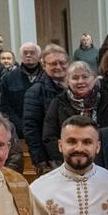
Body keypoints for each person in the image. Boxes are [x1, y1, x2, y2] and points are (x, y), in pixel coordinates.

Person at [23, 44, 69, 172]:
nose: (58, 67)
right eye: (53, 63)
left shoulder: (76, 86)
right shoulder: (35, 91)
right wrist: (39, 158)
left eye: (62, 62)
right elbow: (30, 128)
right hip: (52, 157)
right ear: (44, 66)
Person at [0, 42, 42, 132]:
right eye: (25, 53)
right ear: (21, 56)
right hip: (18, 127)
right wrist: (19, 124)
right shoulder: (9, 77)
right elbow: (5, 106)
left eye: (32, 53)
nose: (28, 55)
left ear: (39, 56)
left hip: (43, 127)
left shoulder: (46, 76)